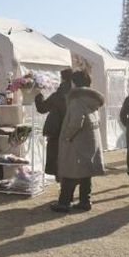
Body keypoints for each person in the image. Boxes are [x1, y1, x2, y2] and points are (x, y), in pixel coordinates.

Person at [52, 70, 105, 213]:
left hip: (77, 141)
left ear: (74, 83)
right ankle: (85, 201)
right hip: (90, 139)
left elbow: (76, 122)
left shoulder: (76, 100)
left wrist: (67, 136)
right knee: (85, 172)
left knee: (70, 171)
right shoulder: (91, 99)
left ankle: (64, 203)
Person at [34, 68, 73, 180]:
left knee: (56, 159)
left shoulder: (58, 95)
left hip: (56, 131)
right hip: (71, 131)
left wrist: (38, 95)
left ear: (62, 79)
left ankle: (61, 182)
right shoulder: (75, 95)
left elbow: (42, 108)